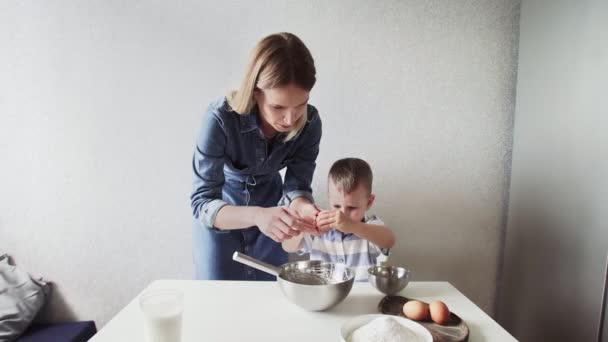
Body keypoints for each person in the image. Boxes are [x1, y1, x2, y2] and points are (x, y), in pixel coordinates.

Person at [191, 33, 322, 280]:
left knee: (269, 301)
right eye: (278, 107)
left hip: (274, 219)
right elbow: (202, 202)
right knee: (219, 303)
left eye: (301, 104)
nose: (290, 119)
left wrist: (305, 209)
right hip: (223, 217)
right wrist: (257, 215)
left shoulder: (311, 122)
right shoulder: (219, 119)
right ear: (254, 93)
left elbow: (297, 187)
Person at [282, 158, 395, 281]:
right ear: (329, 198)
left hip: (361, 296)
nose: (343, 214)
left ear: (368, 202)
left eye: (352, 207)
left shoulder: (370, 227)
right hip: (324, 295)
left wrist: (353, 226)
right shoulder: (320, 227)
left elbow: (389, 240)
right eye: (336, 206)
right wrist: (305, 226)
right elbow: (288, 246)